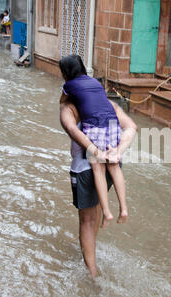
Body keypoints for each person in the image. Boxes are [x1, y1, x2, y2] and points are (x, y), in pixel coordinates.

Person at [59, 89, 137, 278]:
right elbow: (132, 127)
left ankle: (91, 274)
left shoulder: (71, 108)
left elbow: (70, 127)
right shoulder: (110, 106)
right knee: (97, 207)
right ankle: (116, 212)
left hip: (84, 167)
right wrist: (118, 150)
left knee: (86, 220)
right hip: (111, 160)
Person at [59, 55, 128, 229]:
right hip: (113, 125)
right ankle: (124, 208)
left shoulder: (69, 85)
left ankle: (106, 212)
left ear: (65, 73)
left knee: (97, 167)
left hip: (95, 127)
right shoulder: (96, 82)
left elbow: (62, 102)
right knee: (113, 164)